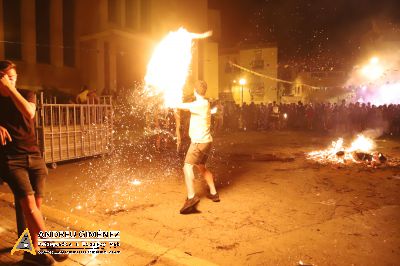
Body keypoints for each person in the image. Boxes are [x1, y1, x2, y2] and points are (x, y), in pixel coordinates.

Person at [0, 60, 68, 265]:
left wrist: (11, 89)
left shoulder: (27, 93)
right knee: (29, 206)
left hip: (35, 156)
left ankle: (31, 252)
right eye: (6, 77)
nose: (11, 81)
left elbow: (29, 112)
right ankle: (50, 242)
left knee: (35, 209)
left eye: (13, 78)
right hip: (12, 160)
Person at [173, 80, 220, 214]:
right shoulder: (205, 103)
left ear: (195, 91)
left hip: (199, 143)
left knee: (187, 166)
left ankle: (192, 197)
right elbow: (186, 106)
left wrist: (171, 102)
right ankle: (214, 193)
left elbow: (182, 105)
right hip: (207, 142)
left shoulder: (198, 104)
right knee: (202, 167)